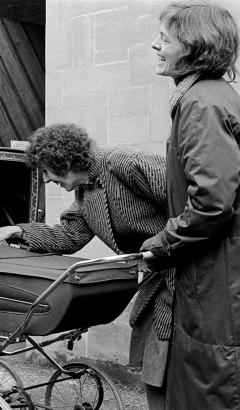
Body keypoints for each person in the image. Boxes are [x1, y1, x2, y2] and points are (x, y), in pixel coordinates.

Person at [0, 123, 173, 409]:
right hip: (159, 280)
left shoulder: (125, 163)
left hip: (192, 276)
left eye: (46, 171)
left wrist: (159, 244)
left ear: (65, 160)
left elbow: (194, 203)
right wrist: (19, 232)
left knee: (186, 369)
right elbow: (69, 235)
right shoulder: (85, 194)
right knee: (155, 367)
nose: (45, 180)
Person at [140, 2, 240, 408]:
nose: (154, 45)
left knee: (210, 387)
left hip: (216, 278)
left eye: (165, 39)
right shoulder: (205, 96)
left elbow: (212, 202)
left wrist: (162, 244)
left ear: (193, 45)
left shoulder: (201, 102)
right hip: (212, 274)